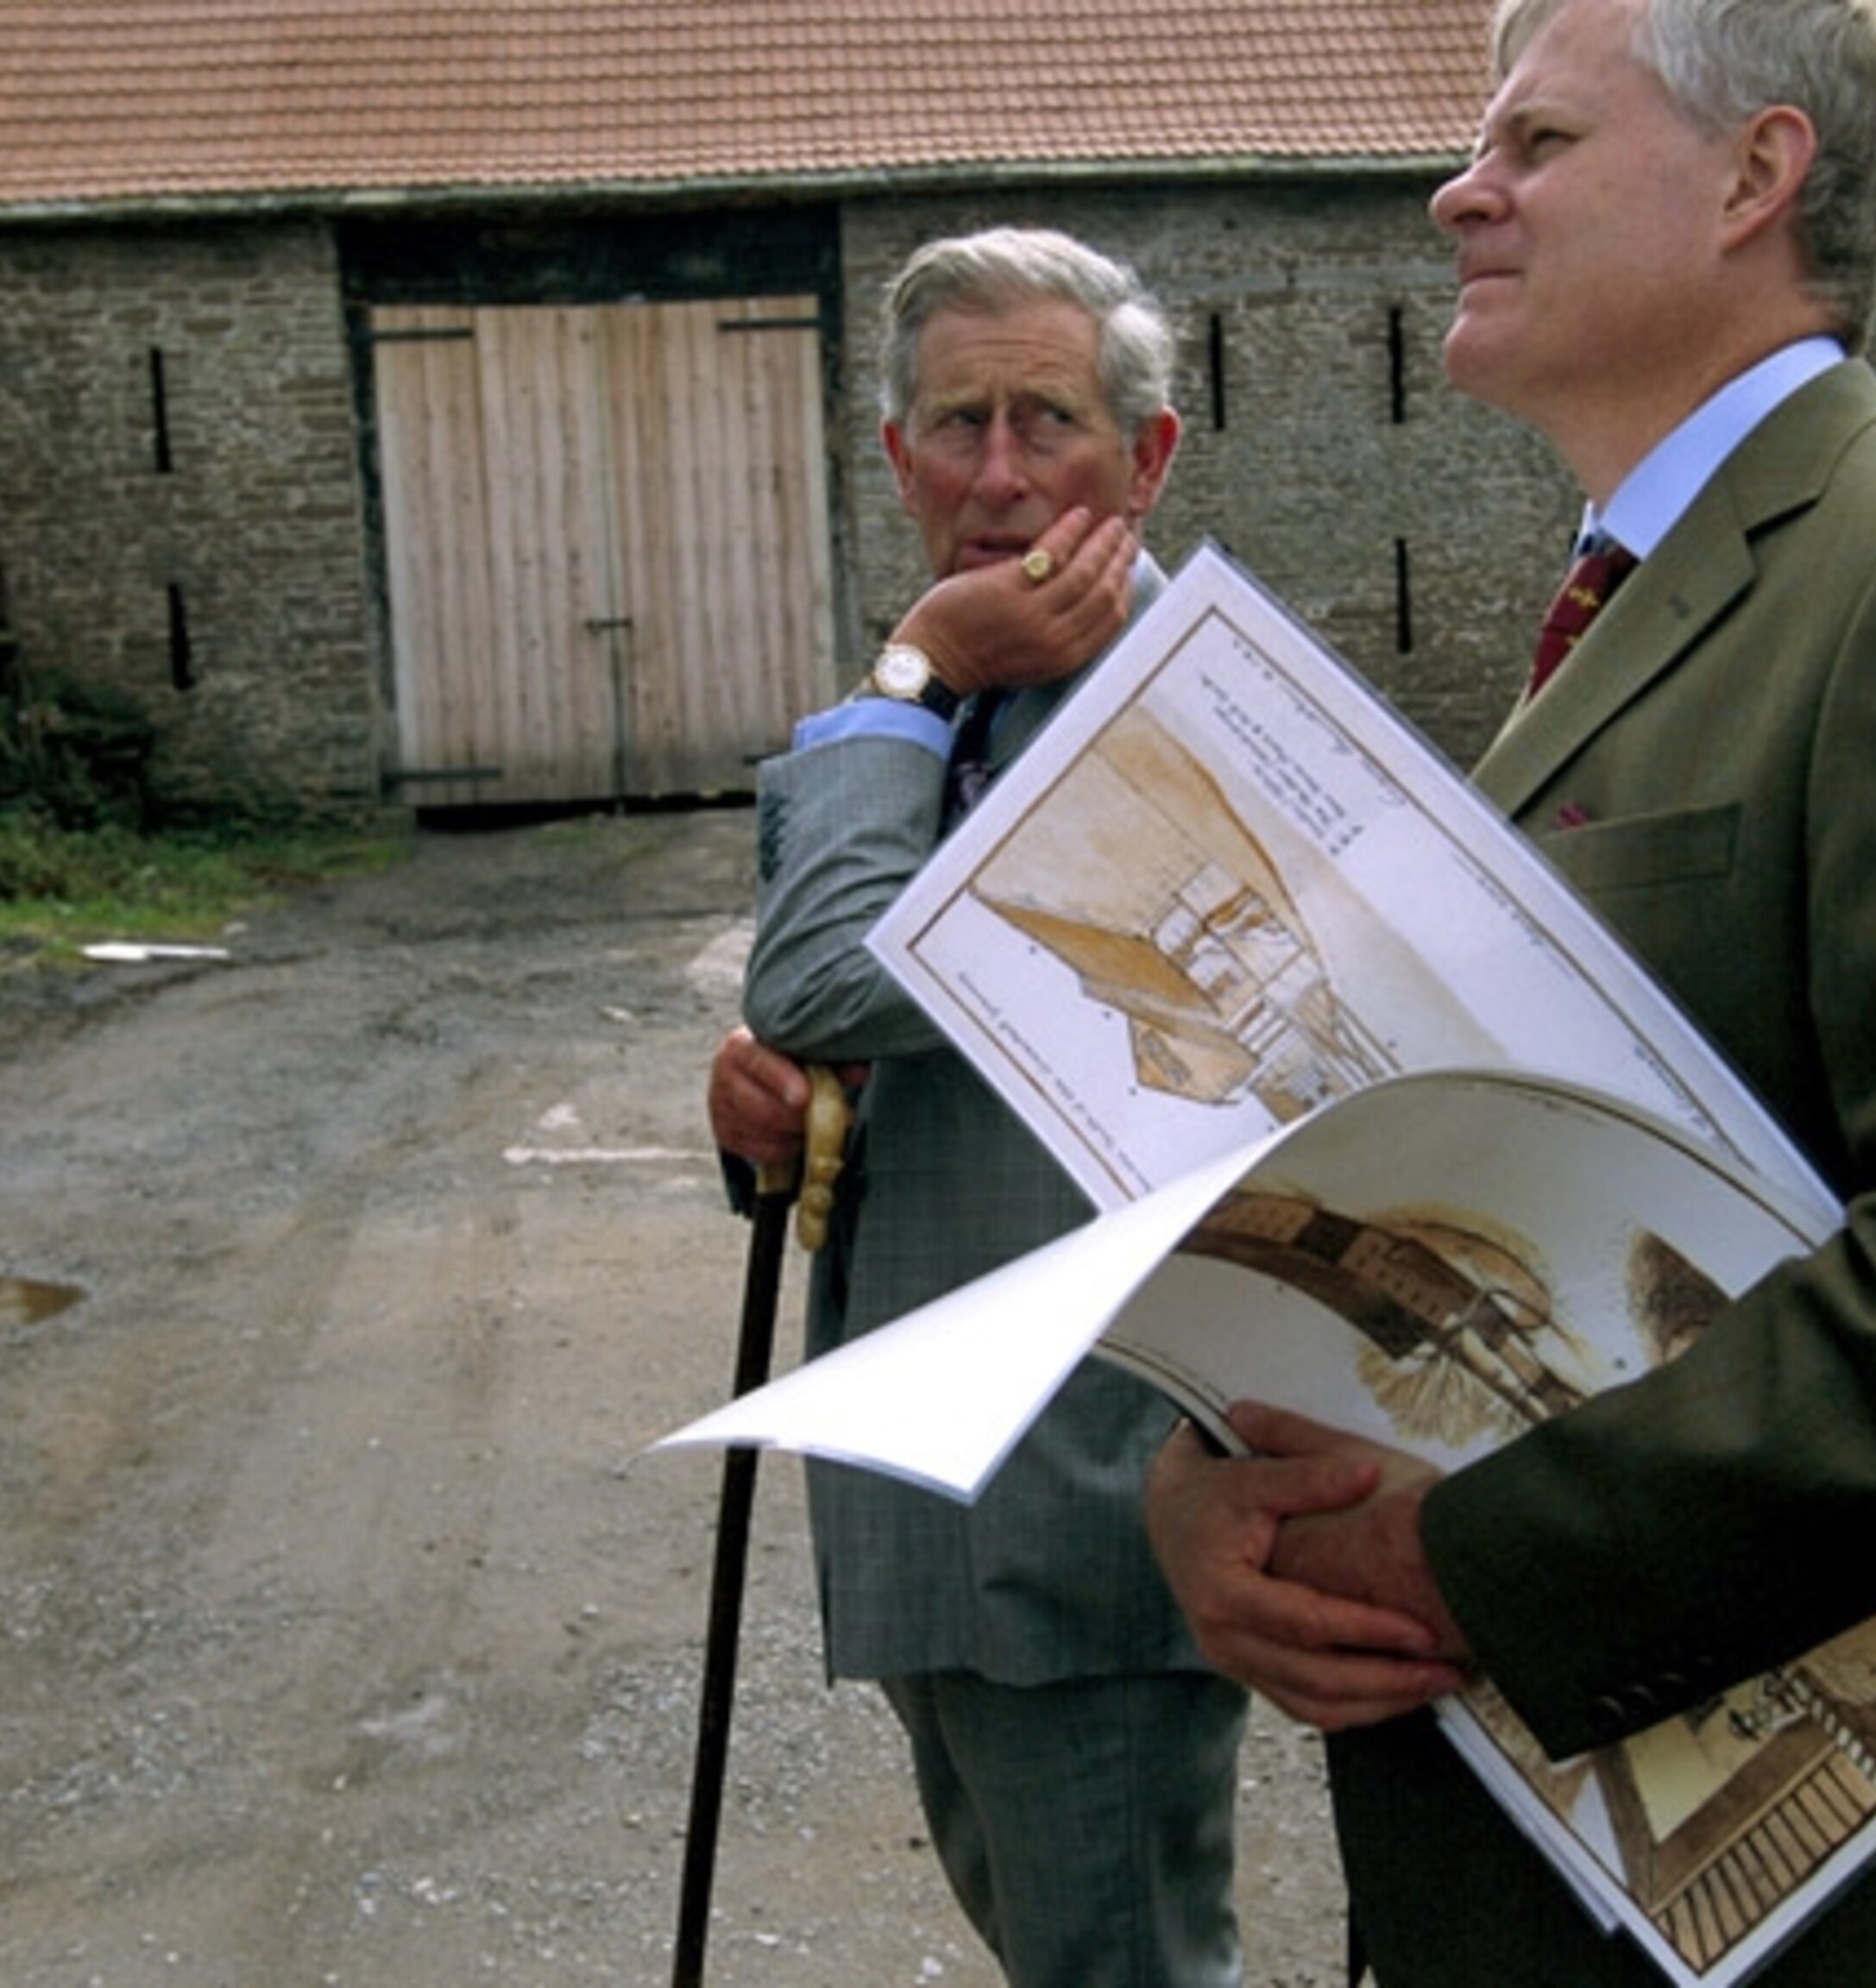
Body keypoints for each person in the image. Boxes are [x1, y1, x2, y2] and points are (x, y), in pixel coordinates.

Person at [1139, 3, 1876, 1983]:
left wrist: (1462, 1562)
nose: (1457, 190)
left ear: (1759, 177)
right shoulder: (1619, 603)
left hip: (1858, 1895)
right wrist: (1223, 1501)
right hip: (1535, 1860)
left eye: (1539, 142)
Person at [707, 228, 1247, 1987]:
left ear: (1150, 456)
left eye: (1049, 422)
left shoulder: (1177, 714)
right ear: (895, 459)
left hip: (1080, 1503)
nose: (998, 477)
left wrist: (919, 656)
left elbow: (833, 971)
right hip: (934, 1475)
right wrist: (773, 1126)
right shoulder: (933, 713)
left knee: (1123, 1966)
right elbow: (840, 1035)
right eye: (956, 426)